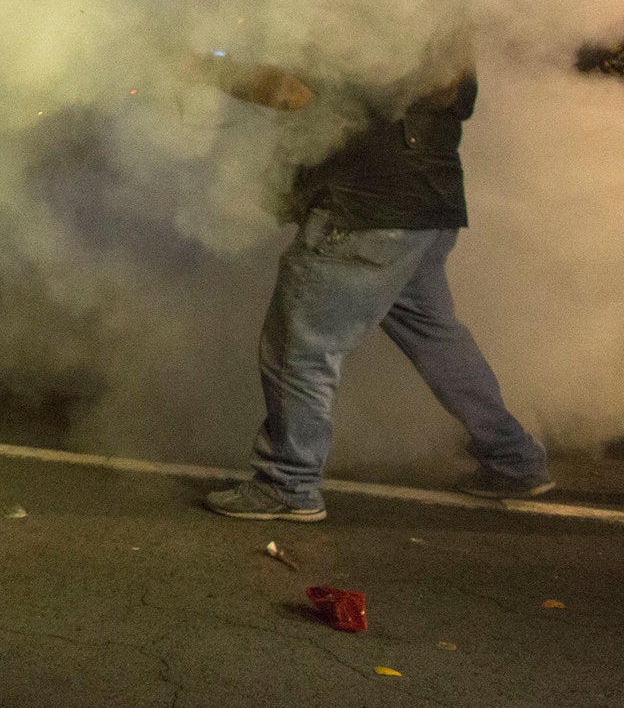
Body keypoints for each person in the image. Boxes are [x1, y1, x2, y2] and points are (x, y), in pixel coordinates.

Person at [198, 45, 551, 521]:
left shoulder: (368, 6)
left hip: (364, 212)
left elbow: (292, 92)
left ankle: (288, 483)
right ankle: (514, 459)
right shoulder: (445, 19)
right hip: (428, 209)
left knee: (301, 350)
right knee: (437, 339)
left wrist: (210, 67)